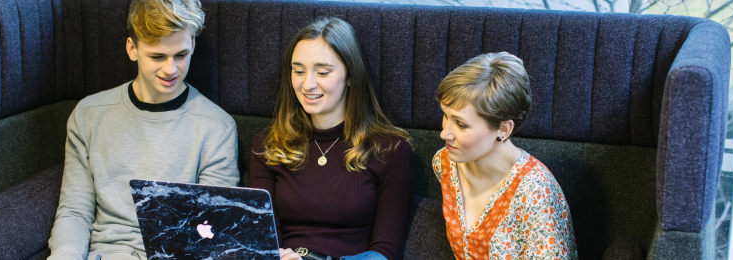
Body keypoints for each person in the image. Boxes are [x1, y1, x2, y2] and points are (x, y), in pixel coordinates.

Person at [47, 0, 239, 259]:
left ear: (193, 45)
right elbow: (75, 212)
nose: (171, 69)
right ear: (132, 49)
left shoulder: (218, 128)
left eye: (181, 55)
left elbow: (211, 230)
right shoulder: (88, 115)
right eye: (157, 56)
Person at [250, 17, 415, 260]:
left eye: (323, 72)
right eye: (298, 71)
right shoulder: (268, 145)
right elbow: (262, 240)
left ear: (350, 76)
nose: (307, 84)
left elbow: (384, 252)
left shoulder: (391, 150)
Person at [433, 52, 577, 259]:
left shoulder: (535, 192)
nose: (444, 133)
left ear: (503, 129)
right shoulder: (444, 163)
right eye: (445, 116)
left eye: (461, 124)